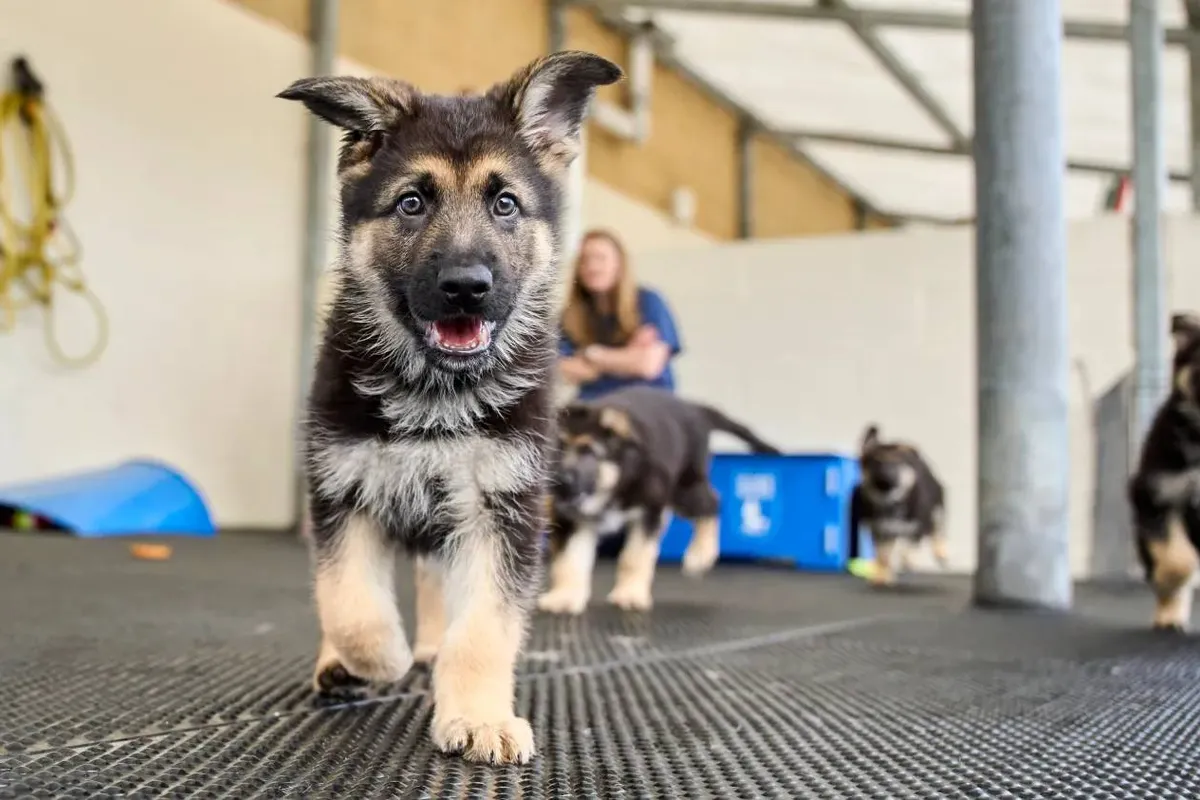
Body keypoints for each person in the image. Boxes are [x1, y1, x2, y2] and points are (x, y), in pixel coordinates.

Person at [557, 229, 682, 401]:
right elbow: (560, 368)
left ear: (619, 264)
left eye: (600, 258)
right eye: (584, 259)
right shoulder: (570, 316)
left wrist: (591, 354)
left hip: (646, 401)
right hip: (593, 402)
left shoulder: (648, 301)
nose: (592, 266)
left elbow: (647, 365)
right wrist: (628, 356)